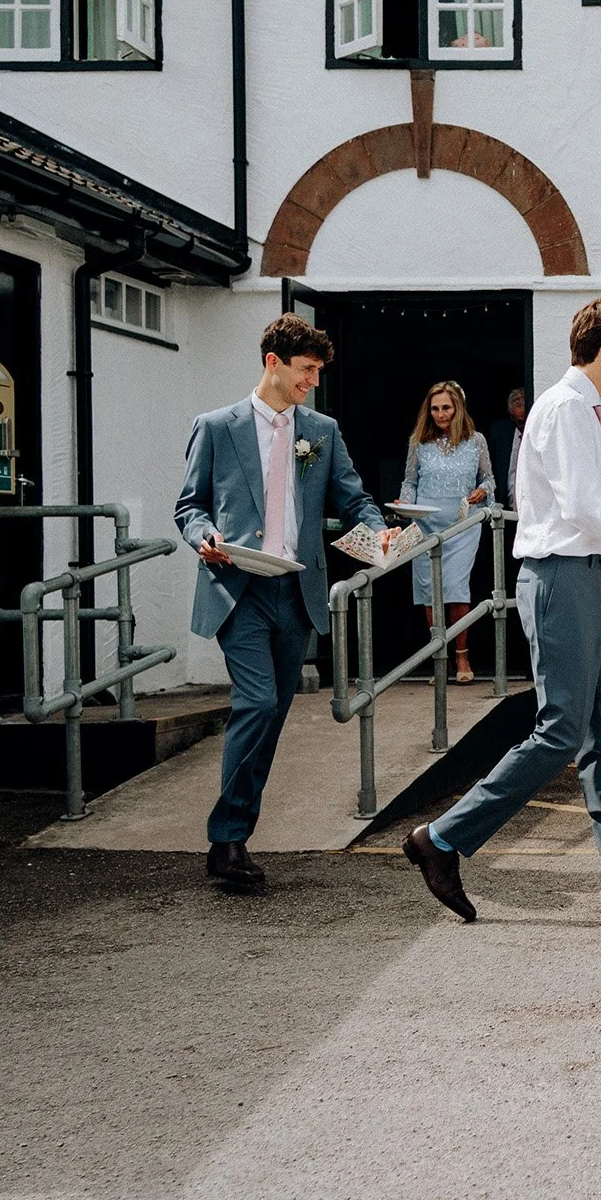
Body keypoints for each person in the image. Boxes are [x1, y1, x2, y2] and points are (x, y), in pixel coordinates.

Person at [401, 300, 601, 922]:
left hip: (591, 578)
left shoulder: (583, 408)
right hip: (561, 581)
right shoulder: (564, 409)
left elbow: (581, 509)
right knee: (560, 728)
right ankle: (442, 838)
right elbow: (584, 507)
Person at [174, 314, 396, 887]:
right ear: (273, 362)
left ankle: (234, 835)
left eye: (318, 371)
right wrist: (204, 537)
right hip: (238, 587)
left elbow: (354, 499)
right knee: (257, 701)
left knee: (270, 714)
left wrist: (379, 532)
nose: (313, 382)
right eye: (306, 370)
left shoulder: (319, 430)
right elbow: (190, 506)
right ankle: (226, 841)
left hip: (296, 591)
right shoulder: (216, 427)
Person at [401, 381, 495, 684]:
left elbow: (489, 479)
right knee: (430, 591)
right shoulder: (419, 441)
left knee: (455, 588)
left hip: (461, 524)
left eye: (446, 407)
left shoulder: (476, 440)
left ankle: (462, 655)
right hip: (425, 523)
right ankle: (438, 659)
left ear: (458, 409)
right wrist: (404, 503)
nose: (441, 414)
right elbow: (410, 482)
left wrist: (482, 491)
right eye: (436, 408)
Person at [488, 388, 526, 509]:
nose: (524, 426)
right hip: (506, 511)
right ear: (511, 416)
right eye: (520, 422)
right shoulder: (500, 433)